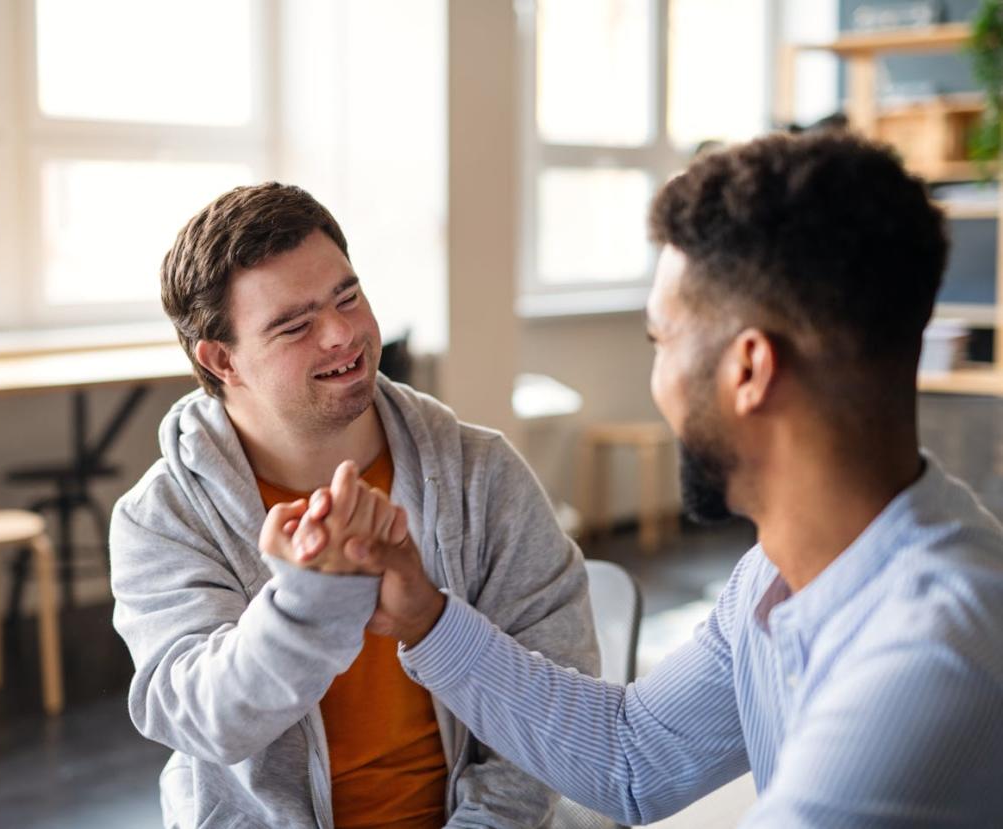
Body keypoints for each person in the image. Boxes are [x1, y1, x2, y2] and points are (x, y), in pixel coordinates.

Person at [275, 131, 1003, 826]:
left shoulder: (934, 650)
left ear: (749, 369)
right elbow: (633, 755)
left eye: (661, 341)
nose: (656, 377)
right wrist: (425, 616)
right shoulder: (776, 577)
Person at [109, 182, 596, 829]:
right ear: (222, 359)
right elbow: (206, 718)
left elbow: (553, 705)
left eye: (349, 296)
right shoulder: (163, 515)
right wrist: (309, 603)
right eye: (295, 324)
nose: (344, 334)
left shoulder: (482, 473)